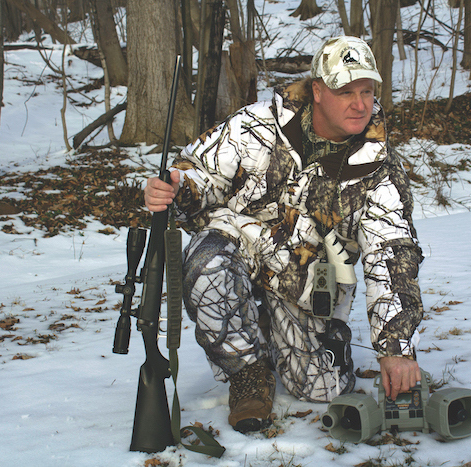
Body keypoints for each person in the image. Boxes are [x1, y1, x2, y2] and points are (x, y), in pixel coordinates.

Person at [144, 36, 425, 434]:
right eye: (346, 92)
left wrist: (395, 347)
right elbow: (200, 172)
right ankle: (248, 372)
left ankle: (278, 327)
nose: (360, 104)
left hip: (306, 279)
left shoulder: (378, 168)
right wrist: (176, 187)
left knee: (320, 389)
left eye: (366, 91)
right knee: (208, 266)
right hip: (241, 243)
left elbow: (391, 252)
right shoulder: (256, 124)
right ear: (318, 91)